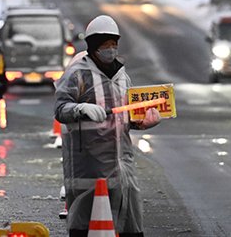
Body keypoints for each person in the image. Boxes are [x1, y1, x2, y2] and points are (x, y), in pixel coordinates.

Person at [54, 15, 161, 237]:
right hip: (89, 167)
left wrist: (142, 122)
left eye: (114, 45)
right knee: (87, 223)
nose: (111, 50)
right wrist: (80, 109)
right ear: (93, 47)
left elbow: (127, 117)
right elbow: (61, 109)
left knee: (129, 220)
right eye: (105, 45)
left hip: (123, 165)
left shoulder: (123, 77)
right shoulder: (77, 74)